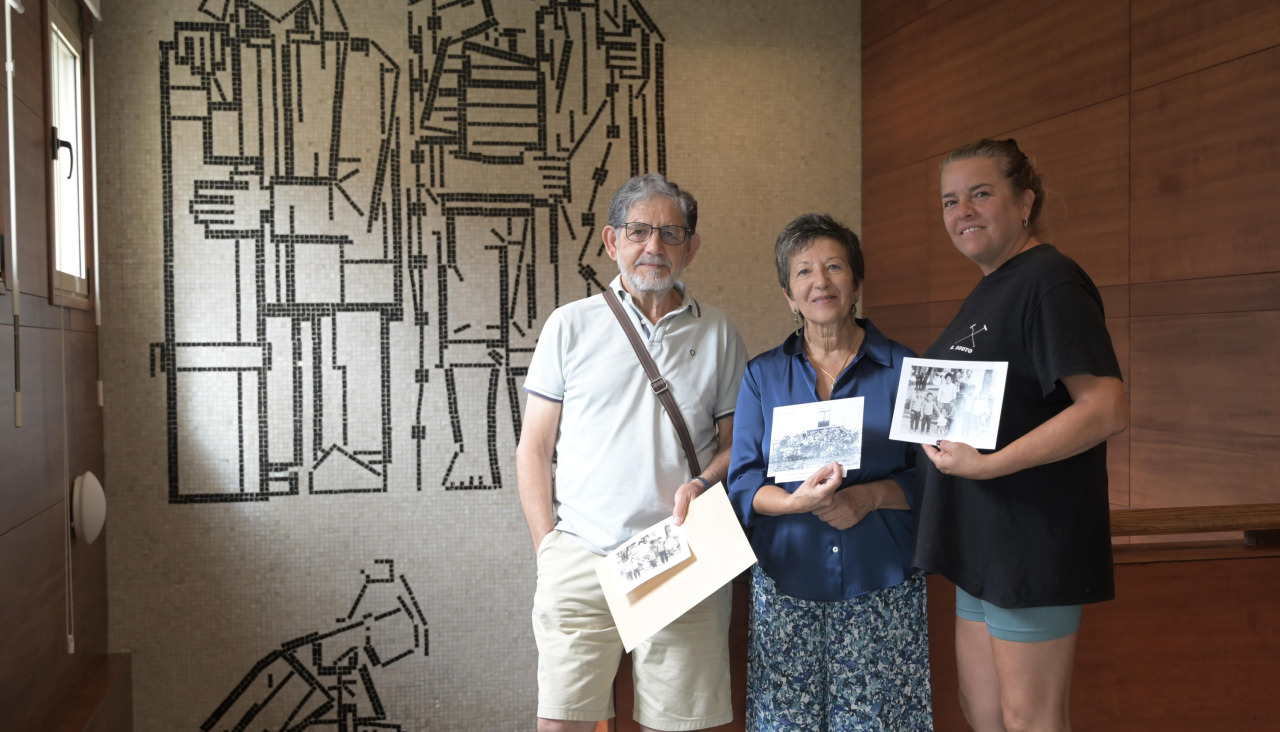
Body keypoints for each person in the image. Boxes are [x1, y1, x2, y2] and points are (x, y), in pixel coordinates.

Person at [516, 174, 748, 732]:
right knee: (563, 723)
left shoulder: (718, 331)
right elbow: (534, 447)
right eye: (640, 231)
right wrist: (547, 545)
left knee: (681, 725)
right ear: (611, 241)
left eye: (671, 234)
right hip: (581, 550)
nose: (655, 246)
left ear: (691, 246)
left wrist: (703, 482)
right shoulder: (569, 326)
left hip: (681, 551)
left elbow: (736, 445)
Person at [915, 139, 1127, 732]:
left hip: (1032, 538)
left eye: (981, 194)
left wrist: (989, 464)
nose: (963, 212)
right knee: (983, 714)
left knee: (1027, 718)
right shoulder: (994, 286)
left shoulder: (1051, 281)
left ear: (1025, 200)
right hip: (983, 542)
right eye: (950, 201)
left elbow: (1105, 406)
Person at [728, 213, 933, 732]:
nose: (820, 281)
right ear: (788, 295)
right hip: (785, 582)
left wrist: (869, 498)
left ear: (856, 283)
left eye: (834, 267)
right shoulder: (761, 376)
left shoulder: (905, 368)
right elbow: (745, 484)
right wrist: (796, 503)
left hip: (881, 583)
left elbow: (933, 478)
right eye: (803, 272)